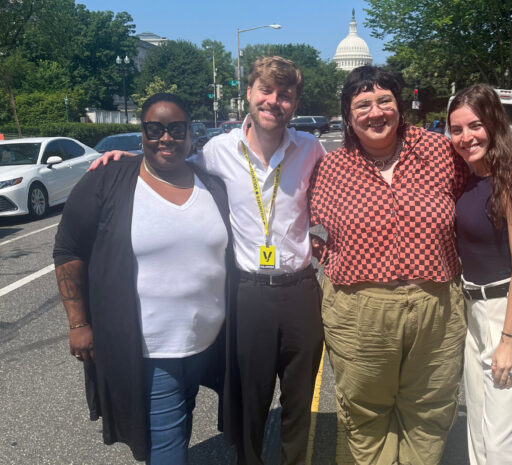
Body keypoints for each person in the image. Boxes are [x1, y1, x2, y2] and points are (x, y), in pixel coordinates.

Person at [90, 56, 326, 465]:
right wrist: (128, 158)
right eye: (266, 91)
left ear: (294, 102)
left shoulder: (311, 149)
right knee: (250, 401)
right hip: (248, 292)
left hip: (302, 289)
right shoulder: (218, 151)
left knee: (299, 400)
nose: (274, 101)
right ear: (249, 93)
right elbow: (167, 165)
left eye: (285, 95)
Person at [53, 93, 233, 464]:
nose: (166, 138)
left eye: (176, 128)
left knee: (181, 417)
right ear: (142, 133)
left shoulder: (210, 183)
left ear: (190, 132)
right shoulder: (109, 180)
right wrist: (79, 323)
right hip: (150, 347)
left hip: (204, 341)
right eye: (155, 129)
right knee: (165, 442)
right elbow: (68, 250)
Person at [309, 65, 468, 465]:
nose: (375, 112)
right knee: (363, 411)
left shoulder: (440, 152)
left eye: (384, 101)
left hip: (437, 304)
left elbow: (489, 180)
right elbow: (283, 214)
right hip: (359, 308)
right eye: (362, 104)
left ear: (400, 106)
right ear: (348, 115)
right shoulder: (330, 168)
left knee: (430, 409)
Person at [448, 84, 512, 465]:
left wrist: (509, 340)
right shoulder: (469, 177)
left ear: (494, 123)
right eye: (456, 129)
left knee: (505, 441)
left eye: (474, 126)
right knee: (478, 429)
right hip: (474, 312)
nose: (465, 137)